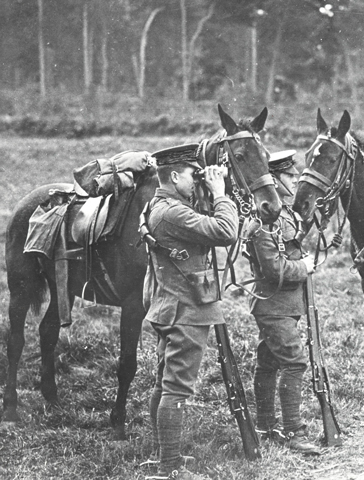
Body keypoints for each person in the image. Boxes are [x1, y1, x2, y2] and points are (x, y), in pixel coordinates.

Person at [143, 144, 238, 480]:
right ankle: (168, 468)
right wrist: (220, 193)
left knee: (165, 382)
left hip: (170, 306)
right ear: (173, 176)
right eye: (191, 175)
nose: (196, 182)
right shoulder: (173, 213)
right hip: (186, 309)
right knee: (177, 388)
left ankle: (162, 455)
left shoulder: (159, 205)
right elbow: (225, 231)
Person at [243, 149, 320, 455]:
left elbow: (294, 238)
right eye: (290, 176)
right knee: (295, 362)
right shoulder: (263, 223)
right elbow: (275, 270)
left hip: (284, 306)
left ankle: (264, 426)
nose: (295, 181)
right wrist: (305, 268)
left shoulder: (283, 214)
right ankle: (294, 432)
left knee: (268, 362)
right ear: (274, 179)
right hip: (273, 305)